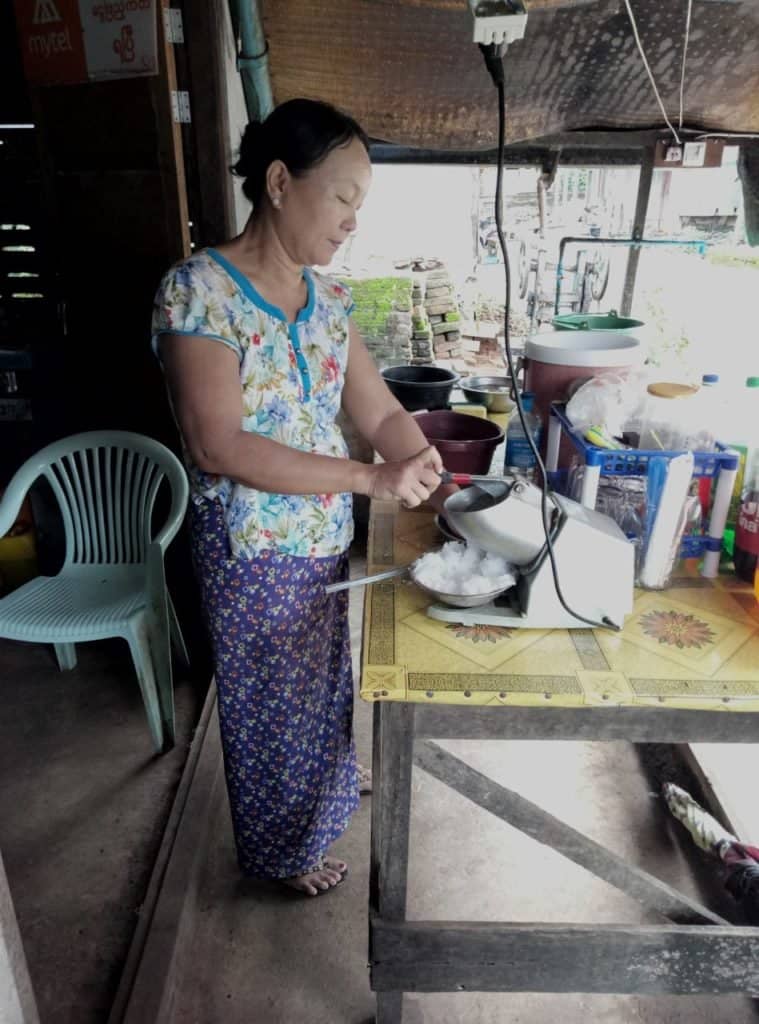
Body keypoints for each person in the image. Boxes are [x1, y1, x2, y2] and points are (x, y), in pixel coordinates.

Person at [151, 98, 455, 897]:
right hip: (250, 547)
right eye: (343, 196)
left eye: (361, 203)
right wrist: (369, 479)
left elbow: (379, 413)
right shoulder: (197, 292)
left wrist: (425, 467)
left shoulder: (330, 303)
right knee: (269, 707)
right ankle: (280, 857)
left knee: (320, 679)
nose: (353, 220)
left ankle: (325, 784)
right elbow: (218, 444)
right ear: (281, 182)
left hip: (320, 535)